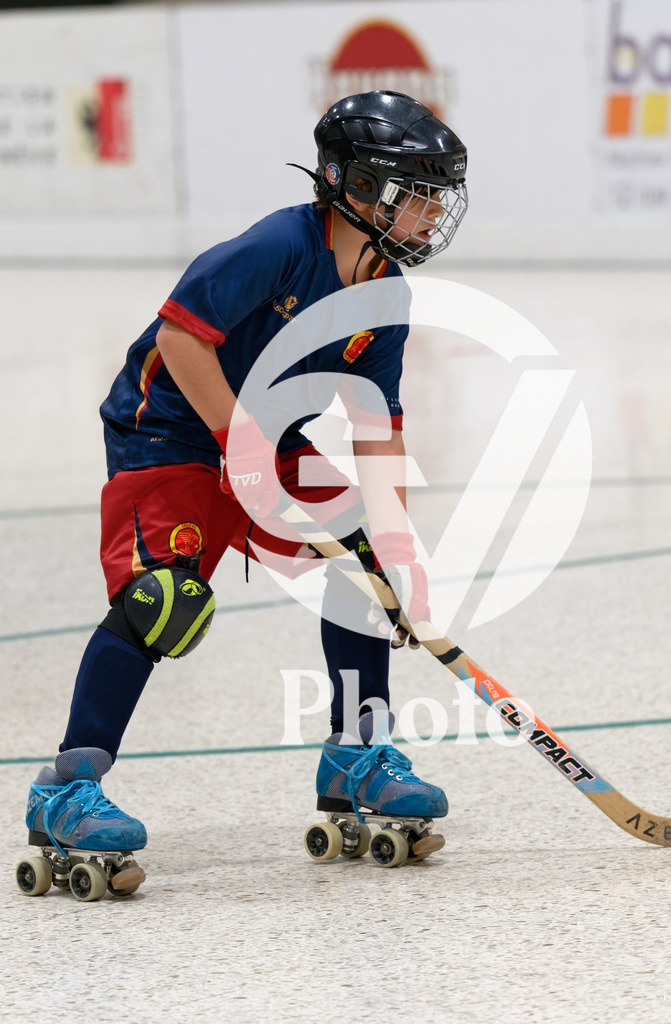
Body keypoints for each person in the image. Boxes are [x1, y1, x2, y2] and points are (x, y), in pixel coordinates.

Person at [22, 91, 468, 876]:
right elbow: (181, 339)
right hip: (167, 432)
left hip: (270, 437)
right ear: (357, 190)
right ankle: (65, 789)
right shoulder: (275, 247)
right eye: (417, 192)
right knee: (163, 602)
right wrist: (242, 446)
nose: (432, 212)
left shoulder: (384, 292)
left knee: (363, 571)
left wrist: (394, 552)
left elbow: (377, 425)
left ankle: (355, 757)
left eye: (437, 195)